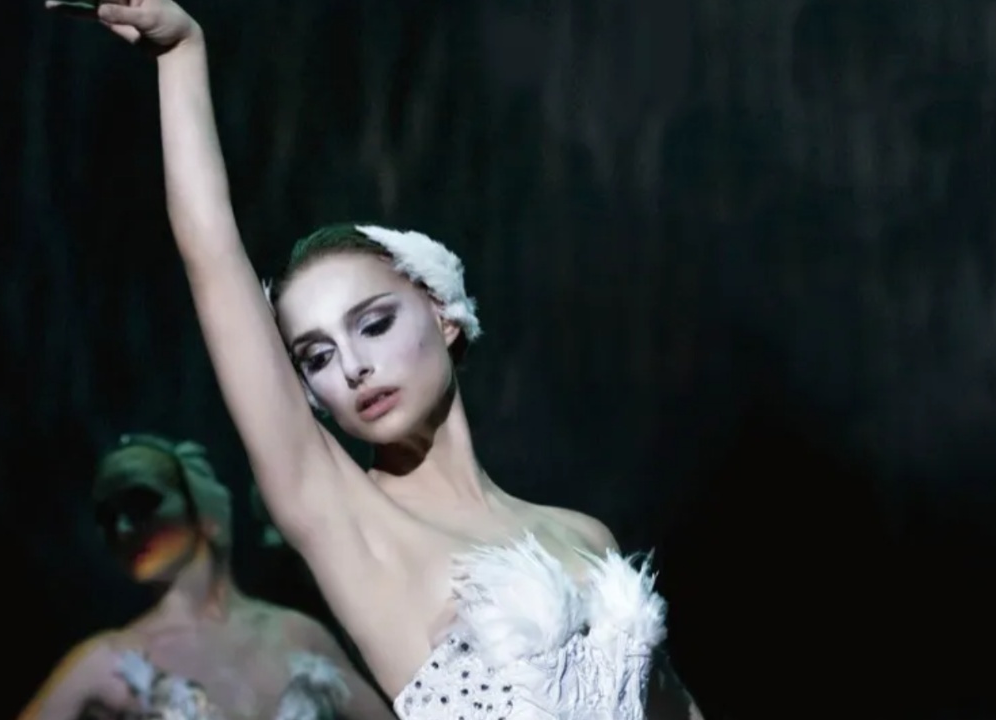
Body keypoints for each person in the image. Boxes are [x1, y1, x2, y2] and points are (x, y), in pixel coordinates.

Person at [49, 2, 704, 717]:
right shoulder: (355, 527)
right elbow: (211, 257)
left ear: (443, 313)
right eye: (316, 356)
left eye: (374, 323)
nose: (354, 366)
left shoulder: (581, 535)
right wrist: (182, 54)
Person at [18, 434, 395, 720]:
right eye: (107, 517)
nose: (123, 527)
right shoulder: (111, 660)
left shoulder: (296, 635)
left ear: (198, 505)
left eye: (140, 502)